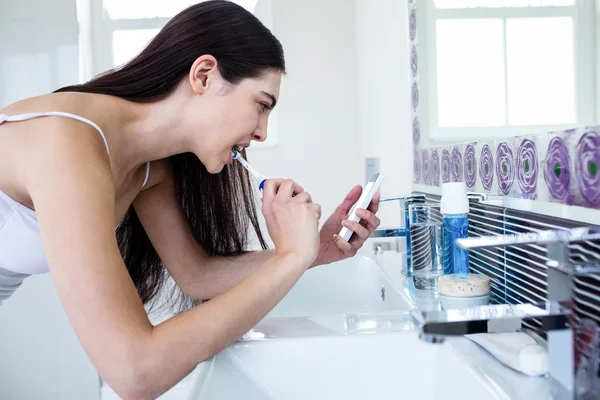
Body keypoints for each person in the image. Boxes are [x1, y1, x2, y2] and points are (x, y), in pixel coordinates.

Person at [0, 1, 381, 398]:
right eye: (262, 105)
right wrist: (289, 260)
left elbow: (197, 276)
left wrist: (312, 250)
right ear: (203, 75)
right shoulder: (69, 147)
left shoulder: (150, 169)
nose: (263, 132)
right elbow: (135, 372)